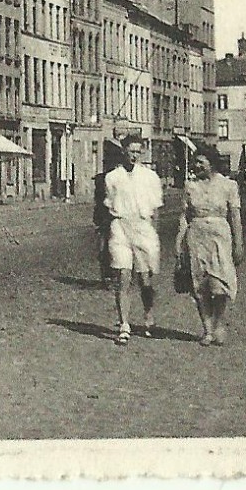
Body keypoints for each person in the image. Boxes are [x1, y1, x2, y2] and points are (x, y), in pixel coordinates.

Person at [176, 153, 244, 346]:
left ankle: (219, 322)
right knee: (199, 285)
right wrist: (179, 242)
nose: (196, 165)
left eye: (200, 162)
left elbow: (235, 216)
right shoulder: (190, 186)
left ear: (211, 164)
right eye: (196, 162)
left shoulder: (228, 185)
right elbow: (184, 216)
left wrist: (239, 243)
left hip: (220, 238)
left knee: (219, 284)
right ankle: (207, 329)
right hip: (196, 238)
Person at [103, 134, 164, 344]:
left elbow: (156, 210)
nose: (135, 155)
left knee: (145, 281)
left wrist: (153, 237)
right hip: (120, 226)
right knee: (123, 277)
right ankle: (124, 324)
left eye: (138, 151)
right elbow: (109, 206)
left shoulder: (150, 177)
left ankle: (148, 315)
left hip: (143, 227)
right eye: (131, 151)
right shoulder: (112, 178)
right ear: (123, 151)